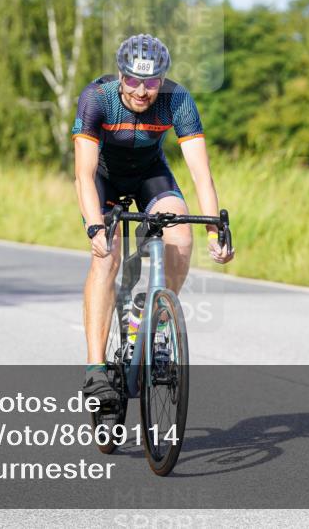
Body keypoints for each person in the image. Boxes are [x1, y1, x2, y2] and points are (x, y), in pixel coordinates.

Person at [71, 33, 235, 402]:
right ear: (120, 75)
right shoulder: (97, 99)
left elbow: (200, 174)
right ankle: (96, 371)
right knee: (106, 256)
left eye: (151, 82)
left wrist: (214, 232)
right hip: (104, 179)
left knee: (180, 233)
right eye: (132, 80)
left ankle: (156, 320)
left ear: (162, 79)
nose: (142, 91)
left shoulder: (177, 100)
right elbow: (84, 173)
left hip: (150, 175)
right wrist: (96, 226)